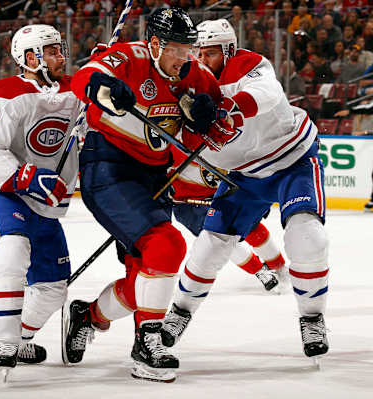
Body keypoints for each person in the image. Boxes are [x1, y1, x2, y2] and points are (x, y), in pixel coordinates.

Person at [63, 7, 230, 383]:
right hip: (108, 166)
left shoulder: (195, 75)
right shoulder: (131, 56)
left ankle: (87, 316)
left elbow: (217, 123)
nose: (183, 57)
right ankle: (148, 343)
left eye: (189, 49)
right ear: (154, 44)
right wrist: (100, 88)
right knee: (167, 245)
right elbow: (86, 76)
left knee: (144, 273)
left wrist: (205, 116)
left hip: (155, 175)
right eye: (175, 48)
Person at [161, 19, 330, 360]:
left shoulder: (247, 63)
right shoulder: (191, 82)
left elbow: (264, 94)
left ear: (227, 49)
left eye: (209, 53)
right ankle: (180, 311)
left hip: (291, 161)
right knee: (209, 246)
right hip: (244, 176)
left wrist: (228, 108)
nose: (202, 60)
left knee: (307, 236)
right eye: (198, 53)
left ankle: (312, 317)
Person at [0, 24, 80, 377]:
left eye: (60, 49)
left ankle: (19, 336)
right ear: (29, 57)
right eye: (51, 51)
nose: (60, 57)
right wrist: (27, 176)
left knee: (54, 288)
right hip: (3, 192)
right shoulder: (3, 93)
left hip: (44, 202)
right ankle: (4, 338)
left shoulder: (76, 91)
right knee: (12, 250)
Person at [168, 142, 287, 293]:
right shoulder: (177, 145)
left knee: (252, 227)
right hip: (188, 205)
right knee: (220, 239)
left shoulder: (226, 139)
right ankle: (260, 271)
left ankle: (280, 268)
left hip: (220, 193)